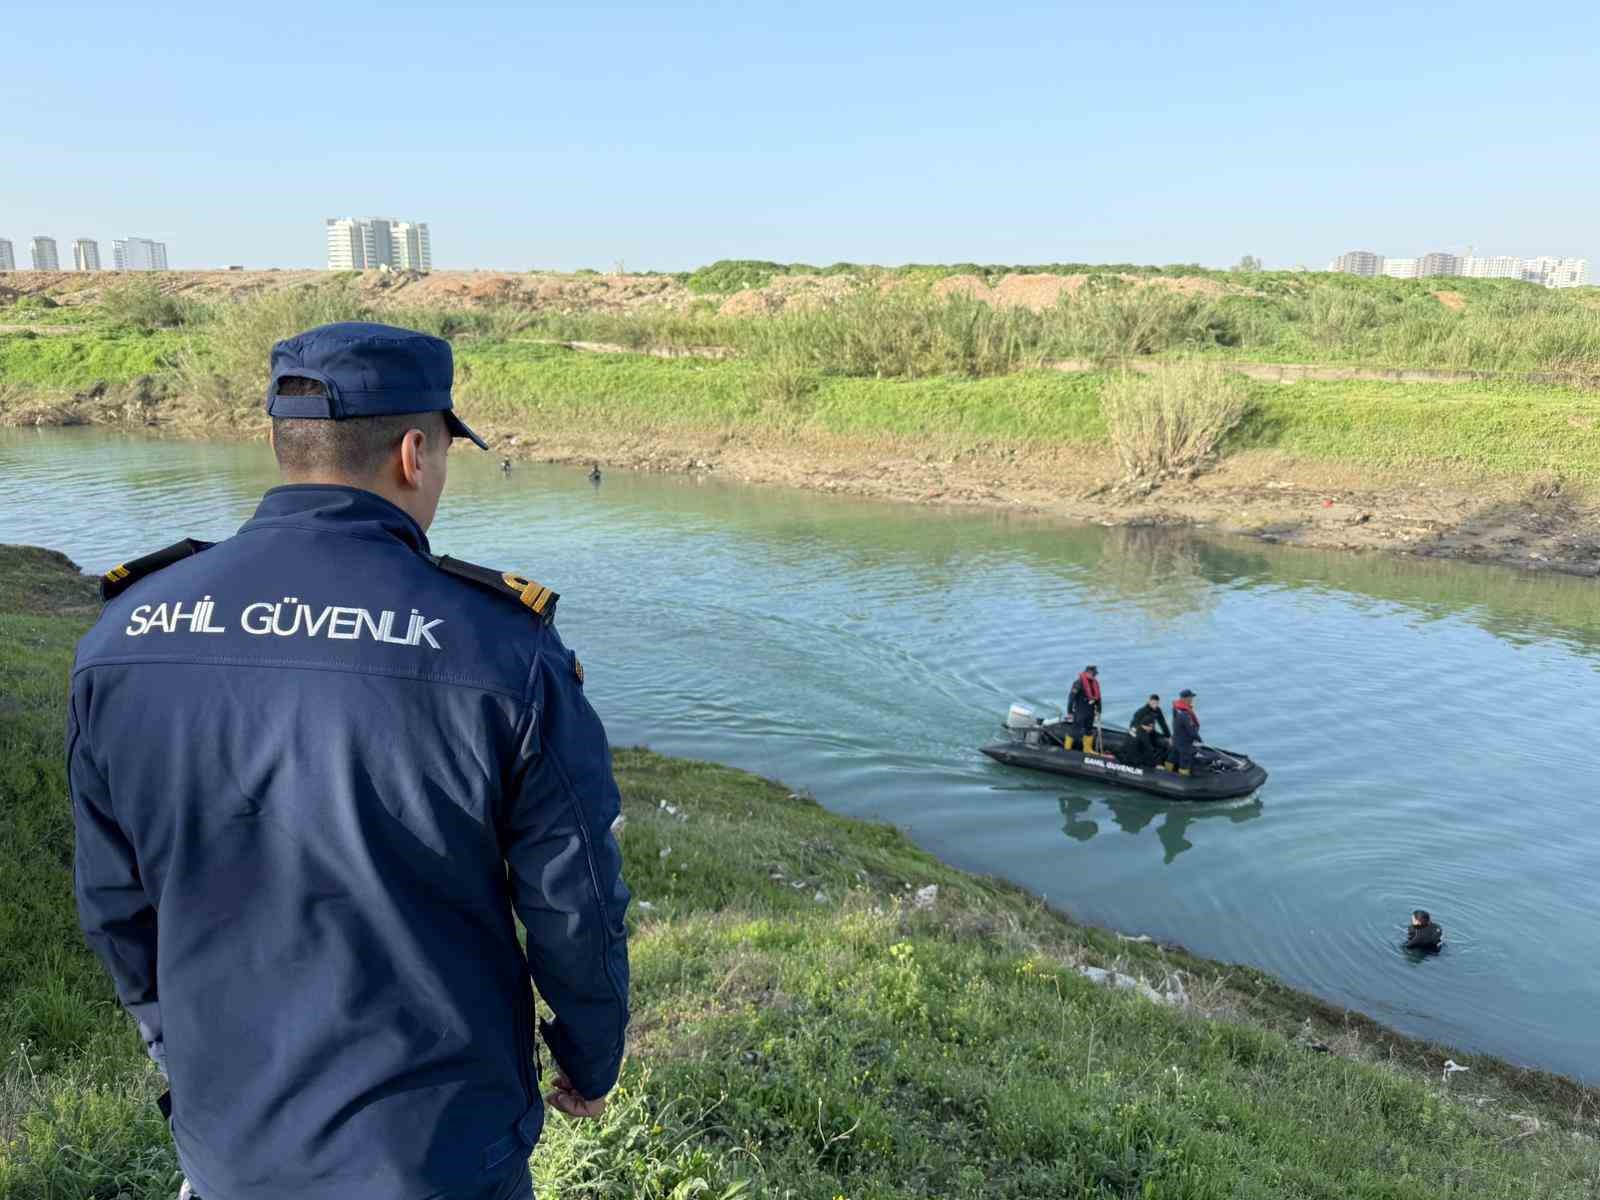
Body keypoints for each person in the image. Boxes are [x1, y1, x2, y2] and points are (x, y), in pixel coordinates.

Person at [70, 322, 630, 1200]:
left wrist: (189, 1058)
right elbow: (576, 900)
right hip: (438, 1152)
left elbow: (115, 904)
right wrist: (591, 1056)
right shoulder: (501, 650)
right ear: (414, 451)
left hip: (231, 1143)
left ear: (284, 444)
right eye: (446, 451)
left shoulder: (124, 632)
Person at [1168, 687, 1213, 774]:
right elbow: (1191, 730)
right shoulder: (1185, 715)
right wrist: (1199, 739)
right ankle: (1182, 780)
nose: (1192, 699)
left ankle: (1167, 771)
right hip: (1184, 742)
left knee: (1173, 756)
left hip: (1177, 737)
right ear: (1186, 699)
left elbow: (1174, 722)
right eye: (1191, 697)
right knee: (1184, 760)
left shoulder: (1176, 709)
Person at [1124, 693, 1170, 767]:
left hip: (1150, 731)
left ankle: (1162, 759)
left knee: (1164, 742)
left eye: (1156, 703)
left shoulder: (1157, 710)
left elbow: (1162, 723)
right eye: (1153, 703)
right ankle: (1154, 763)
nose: (1155, 705)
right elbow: (1133, 724)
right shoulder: (1141, 711)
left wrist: (1168, 736)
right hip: (1140, 732)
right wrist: (1141, 729)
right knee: (1148, 747)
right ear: (1149, 701)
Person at [1066, 664, 1102, 751]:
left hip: (1090, 711)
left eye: (1095, 674)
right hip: (1080, 710)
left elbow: (1098, 698)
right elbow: (1071, 698)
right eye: (1093, 674)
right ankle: (1067, 748)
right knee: (1075, 730)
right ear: (1088, 672)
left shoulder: (1095, 683)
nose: (1094, 676)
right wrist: (1070, 712)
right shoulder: (1078, 683)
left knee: (1089, 730)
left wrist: (1099, 711)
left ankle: (1087, 749)